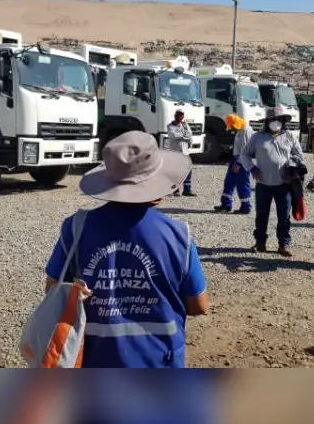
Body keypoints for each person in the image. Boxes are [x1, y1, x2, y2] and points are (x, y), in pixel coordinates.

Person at [43, 131, 209, 368]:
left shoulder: (75, 228)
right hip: (159, 362)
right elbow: (199, 306)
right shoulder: (179, 235)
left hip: (92, 361)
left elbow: (52, 289)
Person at [240, 105, 304, 257]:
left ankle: (284, 244)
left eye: (279, 119)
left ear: (283, 121)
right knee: (261, 215)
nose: (276, 122)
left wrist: (292, 164)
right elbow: (244, 155)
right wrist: (252, 169)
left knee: (284, 216)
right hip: (263, 184)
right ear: (267, 121)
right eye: (273, 119)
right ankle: (260, 242)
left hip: (284, 184)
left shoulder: (290, 136)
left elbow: (299, 155)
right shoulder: (257, 137)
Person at [214, 113, 253, 214]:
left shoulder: (246, 131)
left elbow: (246, 150)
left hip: (242, 161)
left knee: (242, 183)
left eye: (232, 126)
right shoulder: (241, 129)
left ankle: (246, 207)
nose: (232, 128)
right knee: (229, 181)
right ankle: (225, 205)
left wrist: (239, 164)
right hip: (236, 159)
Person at [165, 109, 196, 196]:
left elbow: (190, 134)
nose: (181, 117)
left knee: (188, 170)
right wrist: (184, 135)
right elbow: (174, 135)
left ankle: (187, 190)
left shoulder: (185, 125)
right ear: (176, 116)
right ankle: (176, 190)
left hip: (185, 151)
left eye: (182, 115)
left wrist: (186, 138)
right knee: (176, 171)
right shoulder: (170, 126)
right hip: (176, 152)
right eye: (180, 115)